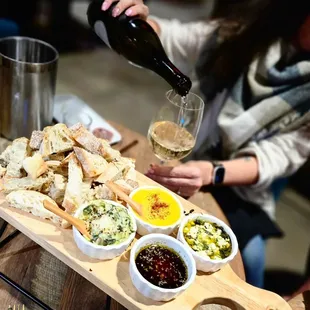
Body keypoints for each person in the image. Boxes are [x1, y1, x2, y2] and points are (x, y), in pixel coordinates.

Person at [101, 0, 310, 288]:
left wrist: (210, 173)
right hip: (194, 159)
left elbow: (278, 156)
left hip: (242, 189)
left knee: (248, 258)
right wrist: (137, 22)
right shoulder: (245, 33)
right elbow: (174, 39)